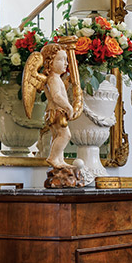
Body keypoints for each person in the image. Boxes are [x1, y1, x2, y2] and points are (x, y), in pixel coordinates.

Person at [40, 42, 75, 170]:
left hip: (54, 111)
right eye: (61, 59)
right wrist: (68, 107)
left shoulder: (56, 78)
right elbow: (56, 96)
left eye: (66, 60)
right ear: (49, 62)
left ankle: (59, 159)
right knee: (65, 135)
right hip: (56, 111)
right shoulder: (53, 79)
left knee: (57, 135)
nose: (65, 63)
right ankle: (53, 158)